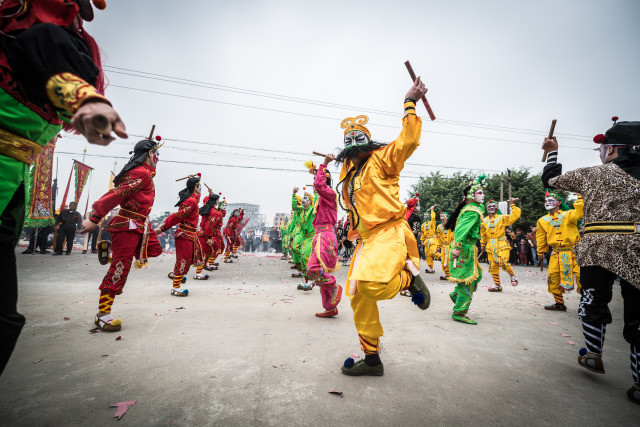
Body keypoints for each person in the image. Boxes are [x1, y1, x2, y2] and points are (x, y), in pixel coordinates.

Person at [0, 0, 128, 374]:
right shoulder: (35, 31)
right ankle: (104, 315)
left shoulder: (64, 37)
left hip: (11, 182)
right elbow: (41, 47)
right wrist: (95, 215)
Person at [541, 118, 640, 404]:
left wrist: (553, 151)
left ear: (611, 150)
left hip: (598, 246)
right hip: (637, 248)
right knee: (638, 313)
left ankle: (594, 354)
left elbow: (550, 180)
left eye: (602, 148)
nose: (600, 153)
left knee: (593, 299)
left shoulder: (595, 174)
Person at [338, 78, 430, 377]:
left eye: (359, 135)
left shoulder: (383, 159)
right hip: (365, 239)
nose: (353, 139)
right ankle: (372, 359)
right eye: (348, 137)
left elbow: (408, 141)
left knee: (371, 286)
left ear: (369, 140)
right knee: (358, 297)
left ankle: (409, 277)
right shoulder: (349, 172)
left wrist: (409, 102)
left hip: (389, 232)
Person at [81, 136, 163, 332]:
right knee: (121, 267)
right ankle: (103, 314)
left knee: (154, 250)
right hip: (127, 224)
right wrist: (95, 218)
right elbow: (117, 194)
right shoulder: (141, 173)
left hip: (140, 223)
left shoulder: (144, 173)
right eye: (157, 153)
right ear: (150, 154)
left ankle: (111, 252)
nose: (158, 158)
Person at [305, 155, 342, 317]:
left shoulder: (330, 194)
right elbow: (317, 185)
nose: (315, 183)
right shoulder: (321, 198)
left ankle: (333, 285)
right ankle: (330, 307)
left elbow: (318, 184)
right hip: (320, 236)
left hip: (325, 236)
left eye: (318, 177)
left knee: (312, 269)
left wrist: (324, 164)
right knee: (318, 273)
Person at [447, 176, 486, 325]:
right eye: (480, 193)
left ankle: (456, 294)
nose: (483, 195)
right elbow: (461, 230)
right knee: (468, 281)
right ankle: (459, 311)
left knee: (476, 276)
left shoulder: (470, 208)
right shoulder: (472, 211)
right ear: (471, 196)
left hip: (467, 247)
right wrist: (457, 247)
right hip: (464, 248)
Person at [536, 190, 583, 310]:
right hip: (556, 253)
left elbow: (579, 213)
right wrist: (540, 252)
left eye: (551, 200)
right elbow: (541, 237)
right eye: (545, 201)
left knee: (581, 277)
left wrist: (579, 198)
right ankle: (559, 303)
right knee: (553, 277)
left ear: (559, 202)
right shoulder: (542, 220)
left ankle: (586, 305)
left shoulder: (569, 214)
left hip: (575, 252)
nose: (547, 202)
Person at [156, 174, 202, 296]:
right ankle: (175, 288)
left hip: (189, 235)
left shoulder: (193, 199)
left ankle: (175, 276)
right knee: (183, 260)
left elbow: (197, 196)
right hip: (185, 235)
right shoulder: (191, 201)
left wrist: (197, 178)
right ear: (196, 187)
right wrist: (163, 228)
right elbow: (177, 216)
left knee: (186, 260)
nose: (200, 188)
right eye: (199, 186)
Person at [480, 198, 520, 291]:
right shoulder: (484, 220)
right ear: (486, 209)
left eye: (493, 206)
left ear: (496, 208)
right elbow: (483, 234)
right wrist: (482, 244)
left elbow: (515, 216)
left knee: (503, 262)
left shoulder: (501, 218)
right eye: (489, 206)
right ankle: (497, 286)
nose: (491, 207)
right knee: (493, 266)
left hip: (502, 243)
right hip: (490, 245)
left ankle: (512, 276)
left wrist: (512, 204)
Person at [193, 190, 220, 280]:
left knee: (208, 252)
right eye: (217, 200)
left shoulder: (208, 208)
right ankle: (198, 273)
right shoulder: (213, 212)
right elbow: (209, 225)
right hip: (205, 235)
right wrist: (209, 237)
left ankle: (204, 267)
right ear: (216, 201)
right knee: (203, 254)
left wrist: (210, 194)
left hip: (203, 233)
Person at [435, 211, 454, 280]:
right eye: (441, 216)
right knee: (443, 261)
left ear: (447, 217)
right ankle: (447, 274)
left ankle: (451, 274)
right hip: (443, 247)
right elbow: (438, 238)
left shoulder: (451, 226)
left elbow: (454, 236)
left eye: (443, 216)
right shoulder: (439, 227)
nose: (442, 218)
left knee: (450, 260)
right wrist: (438, 246)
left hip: (450, 246)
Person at [420, 206, 438, 273]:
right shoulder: (423, 225)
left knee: (433, 252)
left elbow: (433, 218)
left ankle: (443, 258)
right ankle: (431, 268)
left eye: (427, 216)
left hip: (432, 240)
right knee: (427, 255)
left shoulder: (432, 223)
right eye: (425, 216)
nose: (426, 217)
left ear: (429, 217)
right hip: (426, 241)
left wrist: (432, 210)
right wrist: (422, 241)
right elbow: (422, 234)